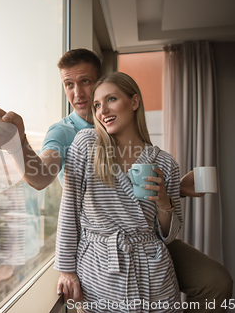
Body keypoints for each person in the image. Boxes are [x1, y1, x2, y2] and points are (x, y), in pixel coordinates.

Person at [0, 48, 233, 312]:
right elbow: (43, 178)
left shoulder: (143, 143)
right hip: (100, 247)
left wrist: (175, 189)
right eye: (68, 84)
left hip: (147, 243)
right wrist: (18, 146)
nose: (77, 94)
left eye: (85, 82)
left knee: (217, 282)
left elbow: (138, 195)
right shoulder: (67, 134)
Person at [56, 72, 182, 312]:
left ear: (134, 102)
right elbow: (68, 210)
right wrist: (66, 270)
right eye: (97, 105)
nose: (102, 110)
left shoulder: (165, 163)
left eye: (111, 99)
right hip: (99, 272)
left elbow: (170, 235)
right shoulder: (86, 144)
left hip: (154, 275)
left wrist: (164, 202)